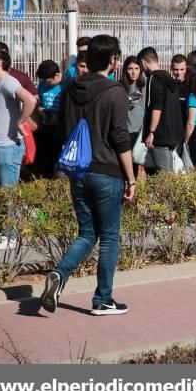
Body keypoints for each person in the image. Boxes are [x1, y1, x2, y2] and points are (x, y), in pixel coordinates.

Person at [40, 35, 135, 316]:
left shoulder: (70, 88)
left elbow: (65, 130)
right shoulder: (115, 91)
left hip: (78, 170)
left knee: (87, 233)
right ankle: (103, 299)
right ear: (113, 60)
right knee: (108, 237)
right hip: (107, 172)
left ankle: (60, 273)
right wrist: (131, 178)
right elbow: (120, 137)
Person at [0, 49, 36, 187]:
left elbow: (30, 100)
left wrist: (21, 122)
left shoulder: (8, 83)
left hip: (7, 148)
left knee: (9, 197)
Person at [137, 47, 184, 174]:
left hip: (160, 136)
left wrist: (151, 132)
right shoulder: (168, 78)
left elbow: (157, 107)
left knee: (163, 176)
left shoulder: (154, 79)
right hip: (173, 135)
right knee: (168, 173)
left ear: (143, 62)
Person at [34, 60, 65, 177]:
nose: (45, 84)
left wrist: (59, 118)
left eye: (48, 81)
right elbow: (39, 103)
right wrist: (42, 113)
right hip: (46, 123)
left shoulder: (66, 83)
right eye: (43, 81)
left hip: (60, 125)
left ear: (57, 75)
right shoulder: (42, 85)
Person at [120, 56, 145, 176]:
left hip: (141, 132)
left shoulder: (145, 86)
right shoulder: (120, 87)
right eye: (130, 68)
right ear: (125, 69)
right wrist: (128, 100)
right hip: (126, 131)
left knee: (140, 166)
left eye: (136, 68)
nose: (133, 72)